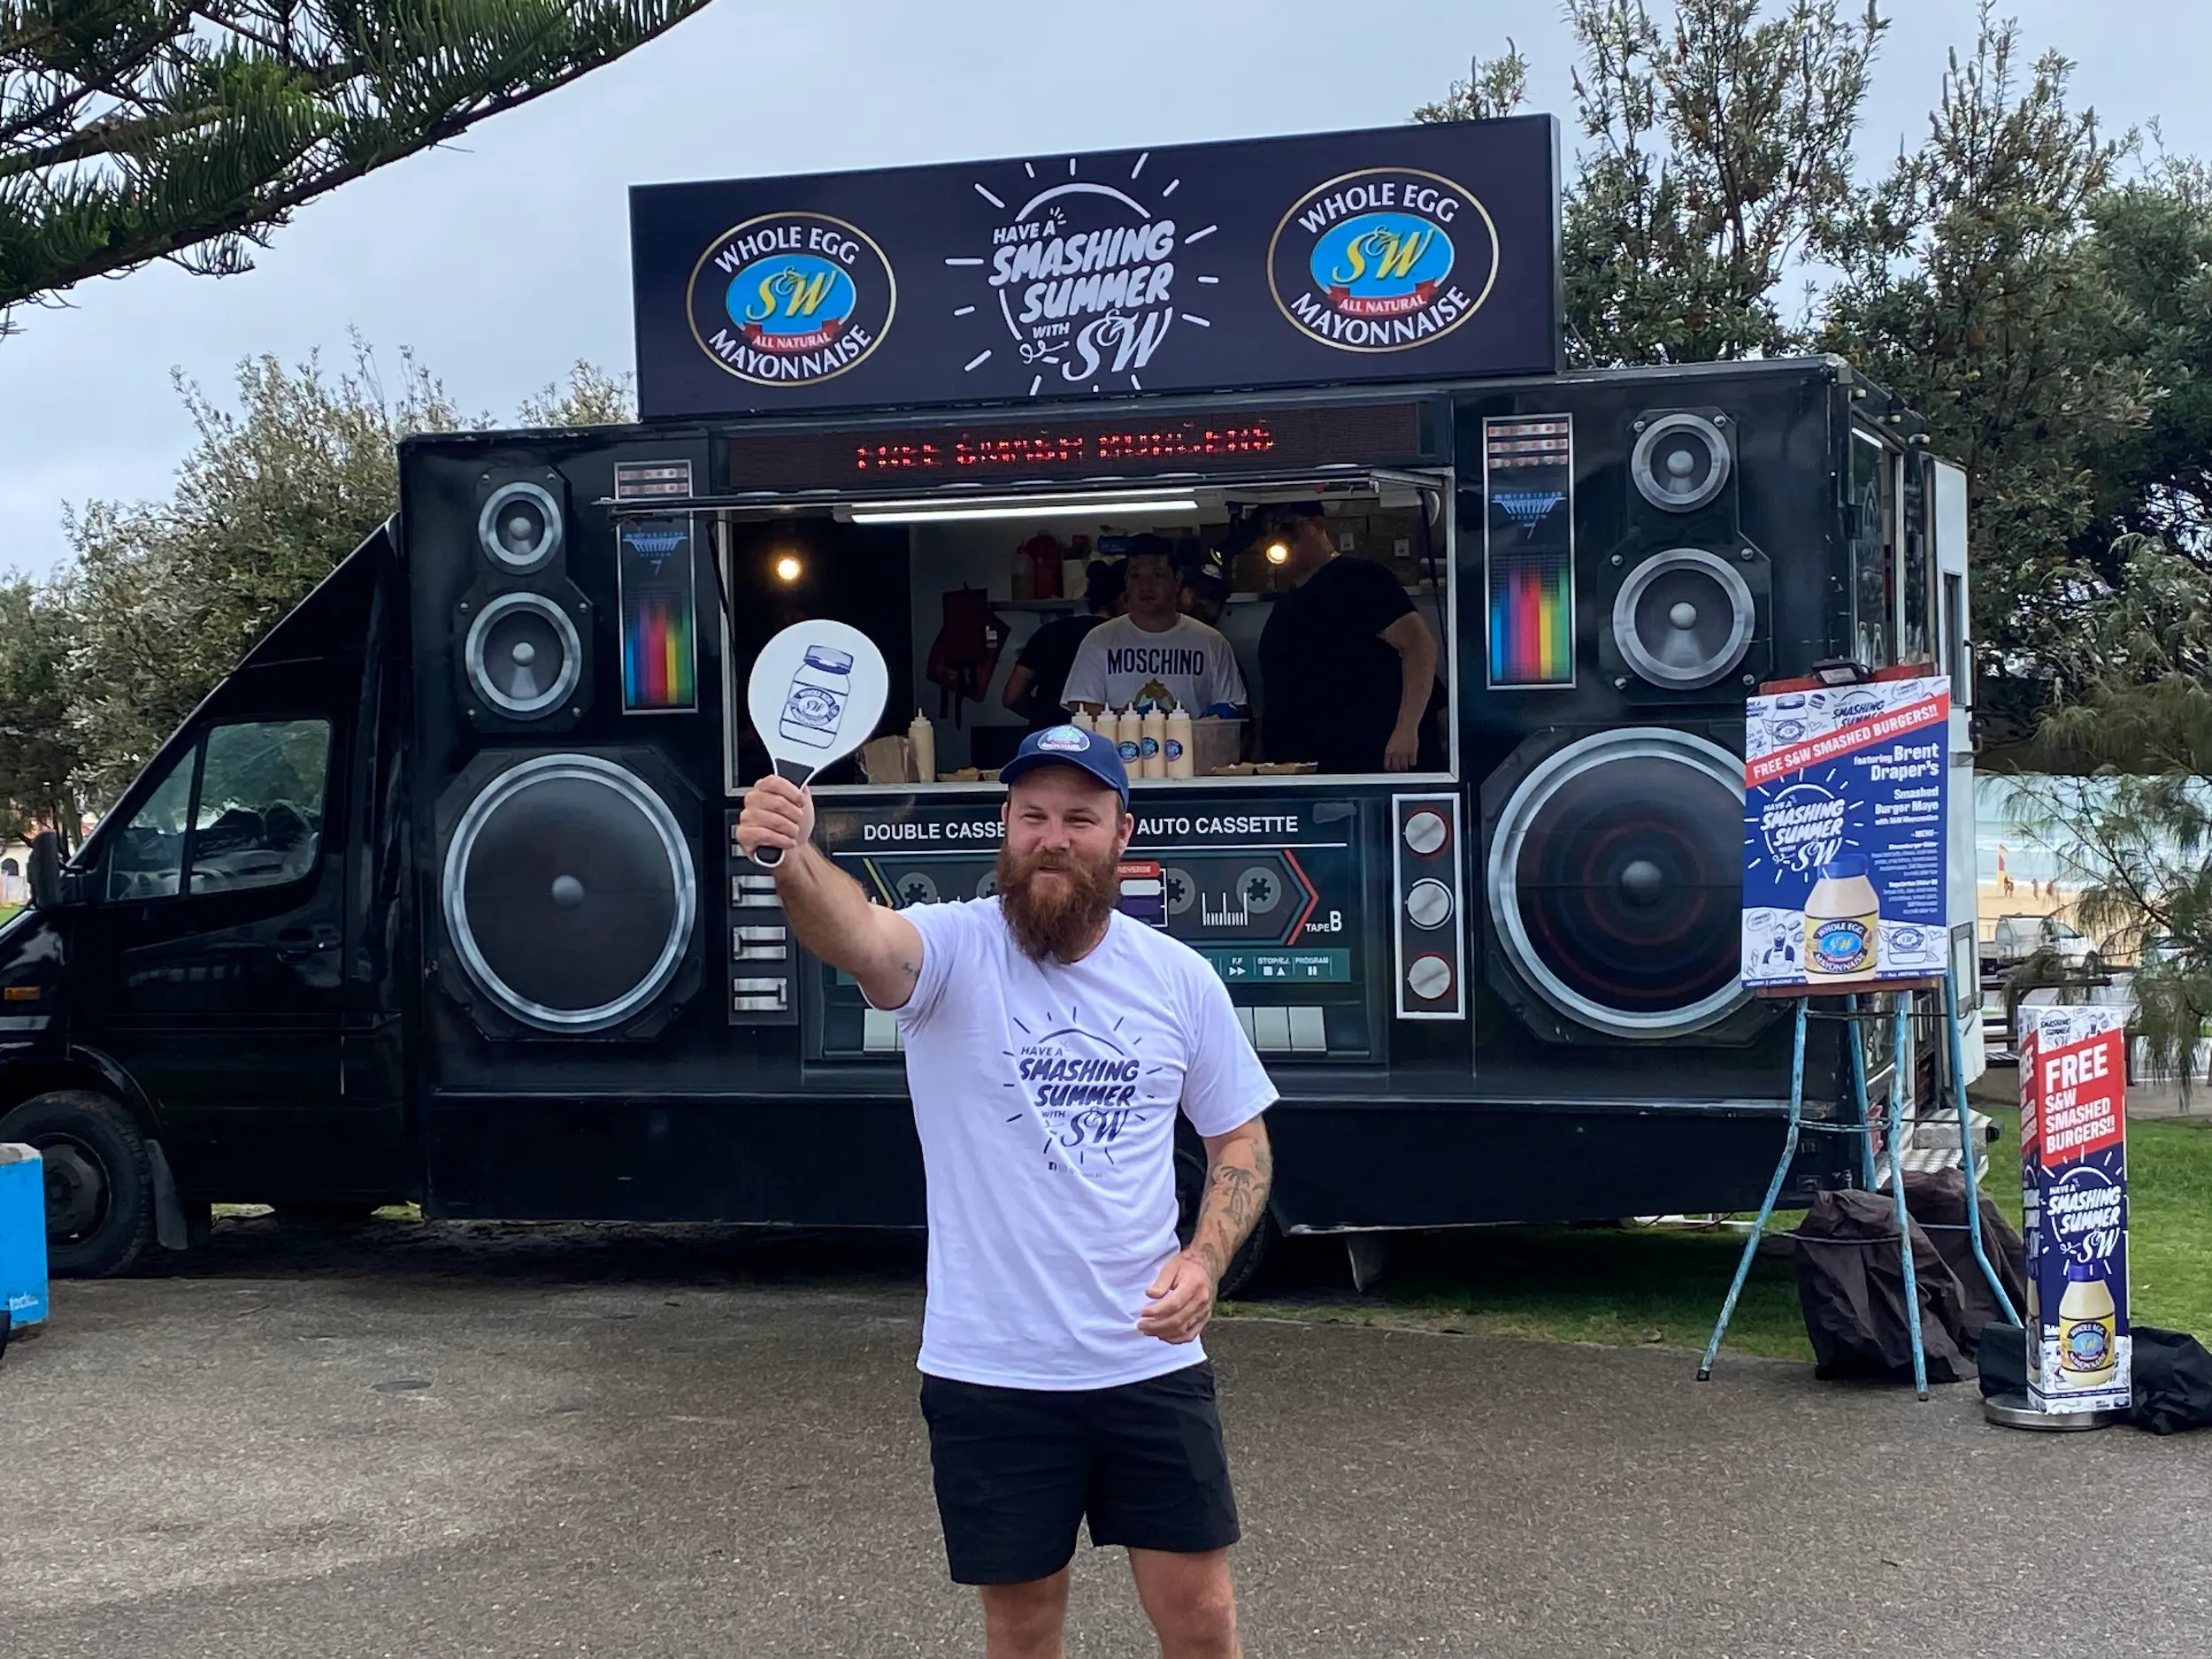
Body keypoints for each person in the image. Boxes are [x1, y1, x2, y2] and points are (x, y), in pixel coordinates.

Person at [735, 726, 1276, 1659]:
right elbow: (856, 932)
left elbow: (1240, 1139)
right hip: (992, 1370)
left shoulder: (1178, 979)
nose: (1052, 838)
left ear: (1121, 832)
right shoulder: (952, 953)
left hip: (1147, 1364)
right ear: (1006, 824)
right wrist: (793, 855)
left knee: (1202, 1616)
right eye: (1033, 816)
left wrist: (1204, 1260)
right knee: (1023, 1624)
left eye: (1079, 818)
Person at [1255, 503, 1442, 772]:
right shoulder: (1287, 604)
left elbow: (1419, 645)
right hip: (1303, 768)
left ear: (1316, 526)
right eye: (1267, 535)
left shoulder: (1362, 579)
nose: (1277, 540)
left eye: (1286, 529)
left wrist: (1406, 730)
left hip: (1365, 762)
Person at [1062, 534, 1247, 716]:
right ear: (1127, 583)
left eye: (1158, 575)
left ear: (1177, 581)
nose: (1146, 586)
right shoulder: (1099, 640)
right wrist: (1124, 719)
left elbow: (1232, 710)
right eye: (1135, 576)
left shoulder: (1211, 642)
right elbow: (1080, 705)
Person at [1002, 559, 1124, 731]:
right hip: (1100, 738)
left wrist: (1043, 716)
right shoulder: (1122, 637)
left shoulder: (1049, 632)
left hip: (1047, 737)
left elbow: (1012, 696)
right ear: (1124, 599)